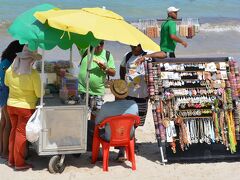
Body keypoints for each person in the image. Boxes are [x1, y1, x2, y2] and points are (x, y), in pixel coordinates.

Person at [5, 45, 42, 170]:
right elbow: (39, 94)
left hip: (11, 105)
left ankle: (11, 160)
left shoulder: (11, 70)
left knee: (13, 131)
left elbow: (6, 83)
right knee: (20, 134)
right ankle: (19, 163)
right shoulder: (33, 74)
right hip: (26, 107)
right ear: (31, 60)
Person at [120, 44, 166, 126]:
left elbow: (163, 54)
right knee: (127, 120)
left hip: (142, 96)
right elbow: (122, 68)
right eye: (131, 46)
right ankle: (131, 137)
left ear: (140, 46)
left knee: (139, 122)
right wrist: (122, 84)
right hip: (128, 95)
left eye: (135, 46)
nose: (133, 48)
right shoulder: (127, 55)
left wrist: (145, 57)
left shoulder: (147, 54)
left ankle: (132, 135)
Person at [95, 79, 138, 161]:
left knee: (91, 125)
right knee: (124, 128)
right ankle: (121, 152)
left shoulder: (106, 106)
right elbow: (136, 122)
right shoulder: (134, 105)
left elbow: (97, 122)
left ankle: (98, 154)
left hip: (109, 138)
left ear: (113, 92)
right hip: (128, 136)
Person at [78, 40, 116, 120]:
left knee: (95, 116)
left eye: (101, 43)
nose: (99, 45)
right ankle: (84, 132)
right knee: (81, 116)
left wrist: (105, 68)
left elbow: (113, 73)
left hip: (97, 92)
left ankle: (91, 131)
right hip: (82, 90)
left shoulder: (107, 55)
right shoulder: (86, 50)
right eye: (96, 43)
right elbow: (77, 40)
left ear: (104, 44)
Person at [0, 40, 24, 159]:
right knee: (8, 123)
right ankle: (5, 152)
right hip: (4, 93)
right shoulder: (8, 64)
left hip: (1, 93)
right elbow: (8, 82)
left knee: (3, 121)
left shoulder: (4, 60)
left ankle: (1, 149)